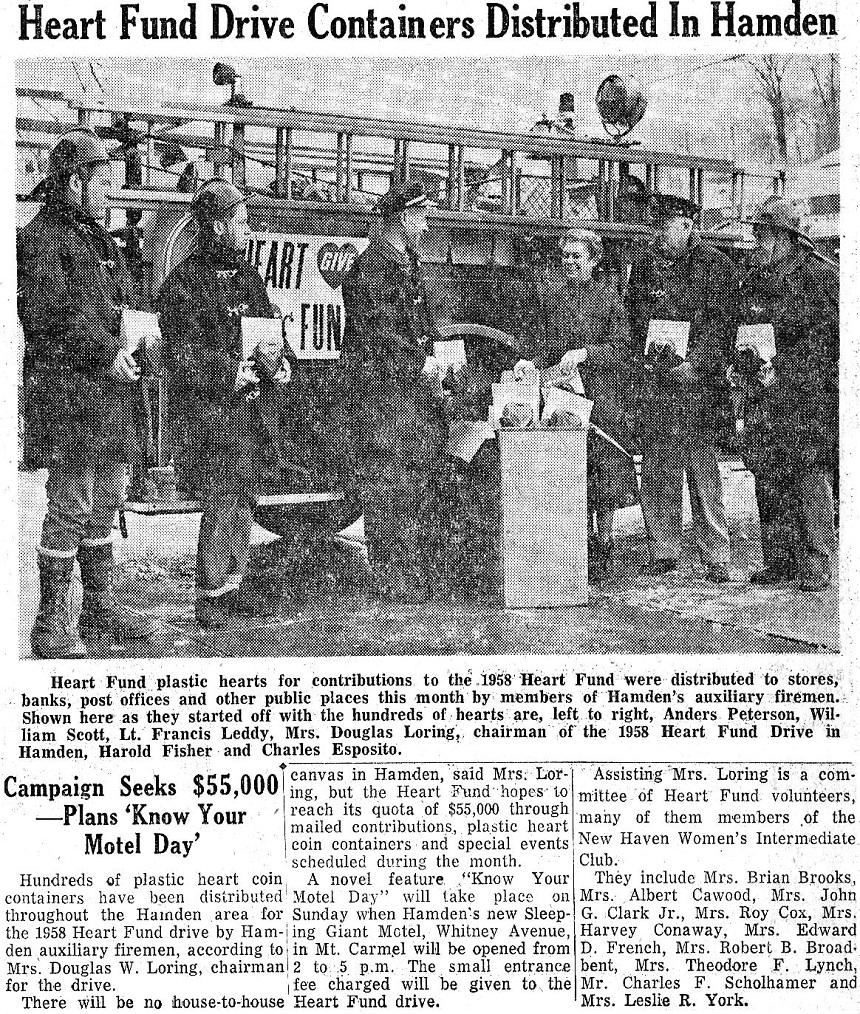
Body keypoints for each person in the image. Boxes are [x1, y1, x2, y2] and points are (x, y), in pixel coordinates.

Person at [18, 128, 156, 658]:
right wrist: (105, 353)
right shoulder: (40, 239)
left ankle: (99, 610)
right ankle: (51, 626)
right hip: (72, 395)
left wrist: (141, 336)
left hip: (110, 393)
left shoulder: (98, 240)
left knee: (105, 504)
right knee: (71, 505)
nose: (109, 194)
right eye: (101, 182)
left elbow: (119, 306)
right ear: (73, 182)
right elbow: (50, 316)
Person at [157, 179, 292, 628]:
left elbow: (270, 330)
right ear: (217, 226)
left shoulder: (249, 277)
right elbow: (182, 354)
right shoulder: (184, 281)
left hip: (249, 411)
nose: (249, 229)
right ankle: (212, 593)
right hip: (210, 414)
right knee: (223, 498)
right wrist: (230, 371)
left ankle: (232, 585)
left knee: (244, 496)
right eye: (241, 220)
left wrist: (281, 361)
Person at [339, 180, 450, 603]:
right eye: (421, 218)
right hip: (382, 392)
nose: (425, 227)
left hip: (405, 393)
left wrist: (435, 352)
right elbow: (381, 335)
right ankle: (392, 577)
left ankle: (405, 572)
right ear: (403, 219)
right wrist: (423, 362)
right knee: (391, 484)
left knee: (409, 481)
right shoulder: (374, 267)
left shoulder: (404, 261)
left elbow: (417, 324)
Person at [514, 228, 638, 581]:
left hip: (601, 395)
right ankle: (578, 541)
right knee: (572, 468)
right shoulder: (555, 297)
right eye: (565, 256)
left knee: (604, 471)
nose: (569, 262)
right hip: (565, 395)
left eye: (576, 256)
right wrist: (530, 362)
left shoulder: (609, 297)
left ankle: (605, 540)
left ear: (594, 259)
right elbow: (545, 343)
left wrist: (587, 353)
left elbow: (622, 350)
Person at [627, 193, 738, 583]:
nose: (656, 234)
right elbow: (636, 319)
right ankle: (664, 549)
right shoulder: (643, 265)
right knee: (659, 467)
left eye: (663, 226)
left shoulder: (714, 264)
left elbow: (722, 325)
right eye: (654, 226)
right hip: (659, 380)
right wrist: (651, 356)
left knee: (702, 468)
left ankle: (716, 553)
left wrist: (696, 365)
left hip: (698, 385)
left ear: (687, 226)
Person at [736, 196, 838, 591]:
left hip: (807, 396)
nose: (758, 244)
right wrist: (741, 365)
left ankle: (816, 560)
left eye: (765, 236)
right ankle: (781, 560)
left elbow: (833, 341)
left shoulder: (821, 278)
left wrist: (793, 371)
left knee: (809, 474)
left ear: (789, 239)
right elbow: (745, 332)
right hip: (765, 393)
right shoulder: (756, 280)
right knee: (769, 473)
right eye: (757, 235)